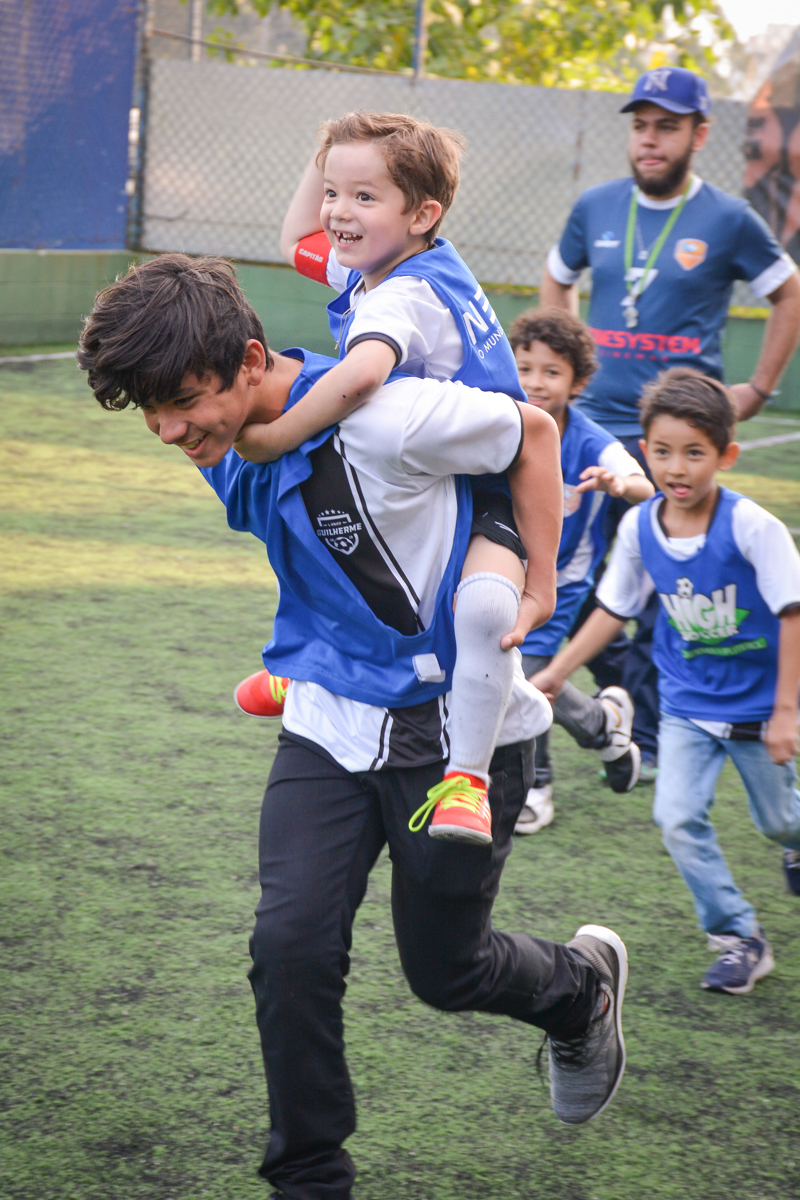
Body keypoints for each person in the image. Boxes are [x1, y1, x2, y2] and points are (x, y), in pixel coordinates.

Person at [77, 253, 629, 1199]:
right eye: (146, 411)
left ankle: (580, 991)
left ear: (250, 359)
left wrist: (532, 583)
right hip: (329, 728)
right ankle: (309, 1179)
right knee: (287, 947)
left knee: (445, 973)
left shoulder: (386, 415)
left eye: (181, 401)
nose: (168, 430)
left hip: (461, 734)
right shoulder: (229, 441)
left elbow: (532, 434)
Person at [231, 110, 543, 846]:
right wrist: (330, 146)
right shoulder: (382, 258)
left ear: (422, 214)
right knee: (321, 517)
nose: (337, 211)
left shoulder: (408, 294)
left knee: (485, 612)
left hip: (494, 478)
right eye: (334, 192)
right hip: (431, 465)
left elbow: (364, 373)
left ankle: (466, 778)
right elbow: (295, 240)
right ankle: (308, 666)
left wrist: (277, 433)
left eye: (363, 198)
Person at [541, 65, 800, 782]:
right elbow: (557, 278)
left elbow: (788, 291)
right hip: (594, 431)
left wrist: (759, 387)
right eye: (641, 125)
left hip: (677, 440)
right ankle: (625, 710)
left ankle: (653, 737)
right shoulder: (595, 207)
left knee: (670, 588)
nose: (650, 140)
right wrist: (565, 381)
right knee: (583, 587)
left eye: (667, 126)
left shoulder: (728, 219)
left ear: (698, 133)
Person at [532, 368, 800, 994]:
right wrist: (555, 674)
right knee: (677, 817)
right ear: (643, 452)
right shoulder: (640, 527)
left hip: (759, 708)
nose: (675, 469)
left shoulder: (752, 528)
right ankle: (738, 935)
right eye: (660, 452)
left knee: (780, 823)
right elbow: (612, 610)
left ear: (726, 455)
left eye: (694, 453)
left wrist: (787, 711)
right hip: (686, 705)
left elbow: (793, 613)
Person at [508, 308, 654, 834]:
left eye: (552, 371)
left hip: (561, 583)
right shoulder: (502, 417)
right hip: (505, 572)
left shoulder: (589, 439)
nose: (536, 382)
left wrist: (619, 484)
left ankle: (536, 787)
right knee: (510, 675)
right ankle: (602, 725)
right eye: (526, 367)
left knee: (524, 679)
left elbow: (642, 484)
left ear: (578, 381)